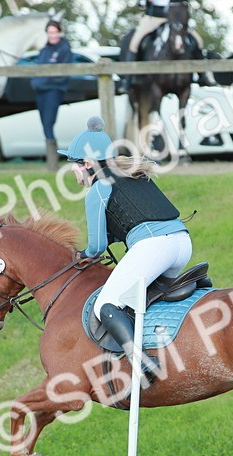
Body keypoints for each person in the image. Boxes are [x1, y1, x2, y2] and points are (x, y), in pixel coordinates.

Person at [59, 116, 192, 384]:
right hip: (182, 243)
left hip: (155, 247)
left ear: (86, 164)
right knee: (138, 296)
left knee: (106, 304)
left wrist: (84, 254)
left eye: (73, 165)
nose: (72, 172)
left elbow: (97, 246)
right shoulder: (132, 173)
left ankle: (141, 362)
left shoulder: (98, 189)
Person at [31, 19, 73, 171]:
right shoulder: (44, 50)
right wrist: (36, 82)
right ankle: (52, 161)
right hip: (40, 91)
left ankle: (53, 162)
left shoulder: (64, 49)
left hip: (54, 90)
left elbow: (62, 74)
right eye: (50, 32)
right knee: (44, 123)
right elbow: (38, 69)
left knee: (49, 122)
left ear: (59, 32)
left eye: (55, 32)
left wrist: (43, 80)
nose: (53, 35)